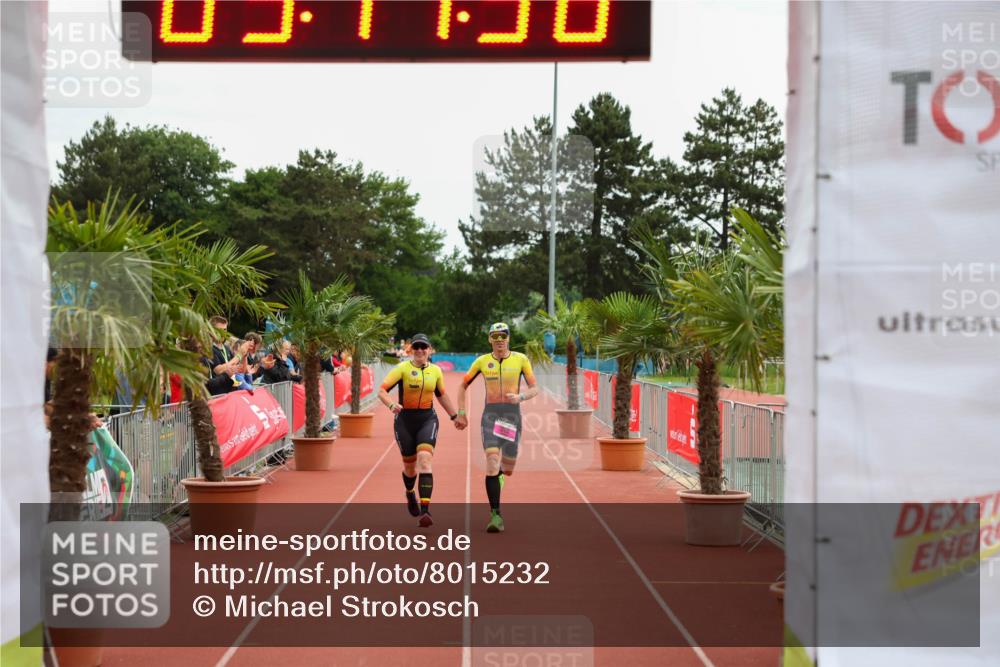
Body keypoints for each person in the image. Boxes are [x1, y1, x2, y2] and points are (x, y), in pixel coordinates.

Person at [455, 322, 539, 533]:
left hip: (512, 418)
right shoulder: (482, 361)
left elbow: (534, 388)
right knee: (492, 462)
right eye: (495, 336)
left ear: (508, 338)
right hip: (490, 417)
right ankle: (496, 515)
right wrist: (462, 413)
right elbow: (462, 385)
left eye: (503, 336)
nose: (499, 340)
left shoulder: (521, 360)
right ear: (490, 339)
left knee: (507, 469)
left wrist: (519, 397)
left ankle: (500, 474)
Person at [378, 333, 462, 528]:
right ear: (411, 350)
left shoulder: (436, 371)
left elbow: (441, 395)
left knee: (425, 459)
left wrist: (454, 416)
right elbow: (382, 391)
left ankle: (425, 511)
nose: (420, 351)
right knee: (409, 467)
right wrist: (391, 405)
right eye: (416, 347)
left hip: (427, 419)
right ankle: (409, 493)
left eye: (424, 347)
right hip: (404, 421)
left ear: (429, 350)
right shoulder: (402, 369)